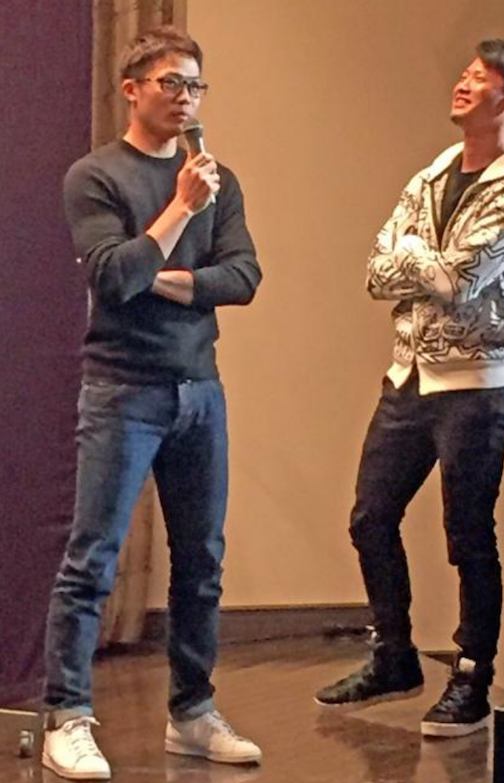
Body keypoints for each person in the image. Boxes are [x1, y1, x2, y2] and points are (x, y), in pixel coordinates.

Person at [315, 39, 504, 739]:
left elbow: (462, 280)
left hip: (478, 386)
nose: (463, 83)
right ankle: (393, 655)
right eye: (465, 73)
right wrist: (428, 263)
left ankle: (472, 678)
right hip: (410, 377)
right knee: (370, 517)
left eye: (481, 78)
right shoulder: (432, 175)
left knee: (469, 535)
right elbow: (374, 273)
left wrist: (417, 256)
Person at [42, 26, 262, 780]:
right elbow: (111, 277)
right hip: (122, 390)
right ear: (131, 89)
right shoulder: (95, 176)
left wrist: (164, 276)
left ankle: (192, 714)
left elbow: (244, 277)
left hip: (200, 390)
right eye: (172, 83)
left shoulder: (218, 179)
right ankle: (68, 717)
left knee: (201, 561)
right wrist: (178, 212)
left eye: (196, 85)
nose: (186, 98)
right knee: (92, 558)